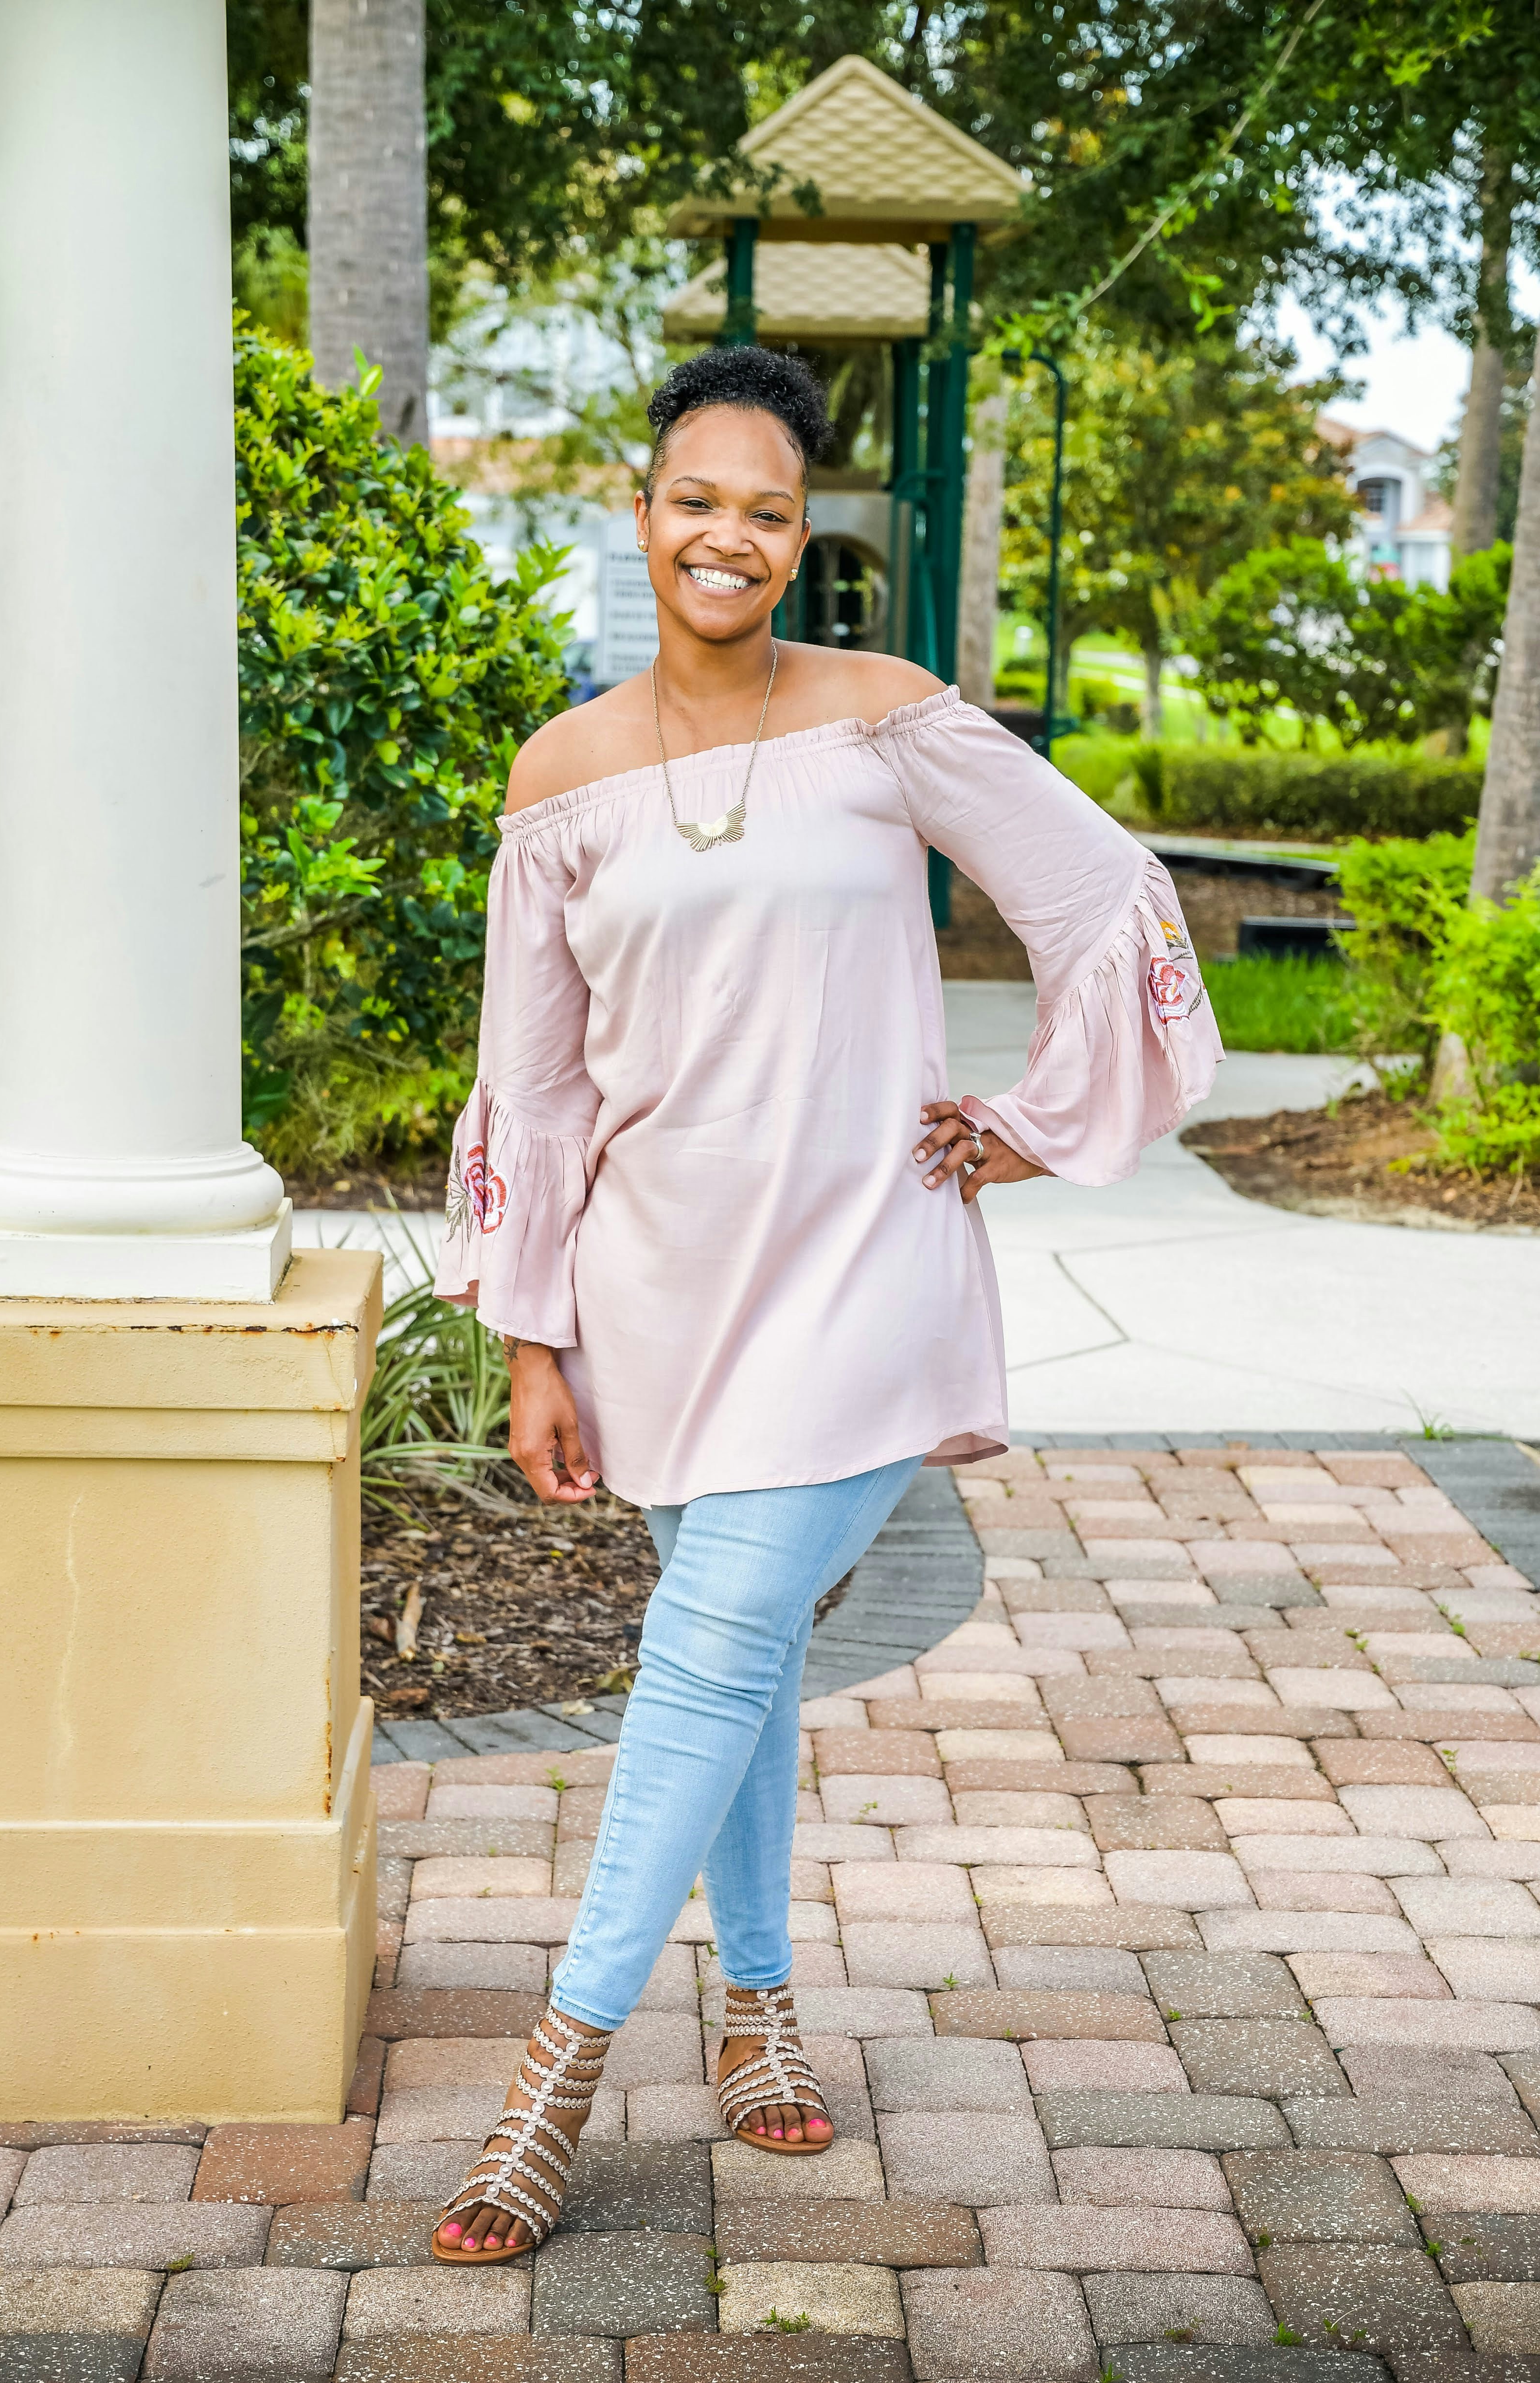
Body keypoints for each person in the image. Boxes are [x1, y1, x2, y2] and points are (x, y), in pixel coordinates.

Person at [429, 345, 1221, 2261]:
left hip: (863, 1265)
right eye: (696, 498)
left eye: (768, 511)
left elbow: (1105, 892)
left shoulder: (888, 721)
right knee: (752, 1647)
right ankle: (763, 2001)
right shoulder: (563, 777)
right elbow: (528, 1087)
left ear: (805, 541)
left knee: (706, 1644)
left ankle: (555, 2073)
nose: (729, 534)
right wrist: (530, 1336)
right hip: (658, 1288)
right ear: (642, 513)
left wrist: (1032, 1126)